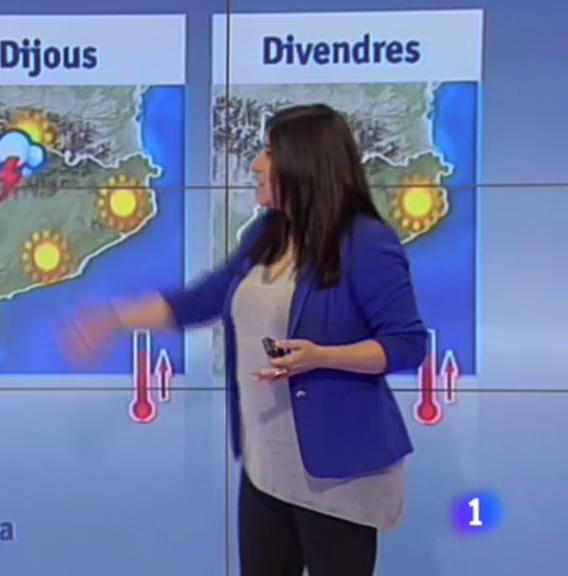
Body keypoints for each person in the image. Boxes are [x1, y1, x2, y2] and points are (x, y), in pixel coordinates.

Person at [65, 104, 427, 576]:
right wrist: (110, 320)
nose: (256, 164)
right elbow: (200, 301)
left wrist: (322, 357)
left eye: (269, 153)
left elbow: (406, 344)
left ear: (304, 162)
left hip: (338, 472)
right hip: (265, 466)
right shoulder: (268, 235)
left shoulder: (366, 243)